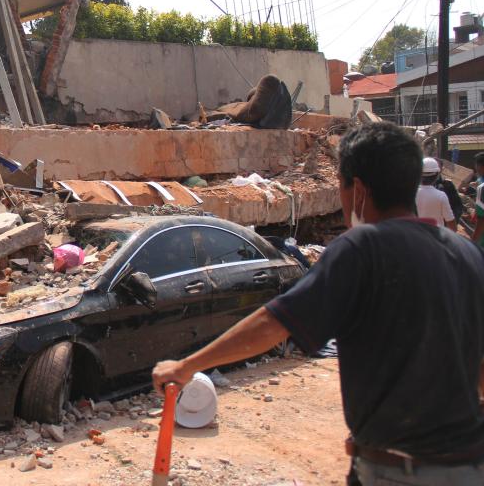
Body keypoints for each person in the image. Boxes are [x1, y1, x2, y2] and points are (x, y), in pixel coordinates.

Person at [152, 122, 484, 486]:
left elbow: (274, 323)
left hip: (399, 471)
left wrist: (187, 366)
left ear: (357, 189)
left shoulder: (362, 248)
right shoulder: (467, 253)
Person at [415, 157, 456, 230]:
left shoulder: (411, 194)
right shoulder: (441, 196)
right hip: (436, 238)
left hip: (417, 237)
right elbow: (451, 223)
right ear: (437, 175)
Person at [473, 152, 484, 248]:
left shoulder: (482, 188)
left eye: (477, 165)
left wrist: (473, 242)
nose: (476, 167)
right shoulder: (480, 180)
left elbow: (482, 220)